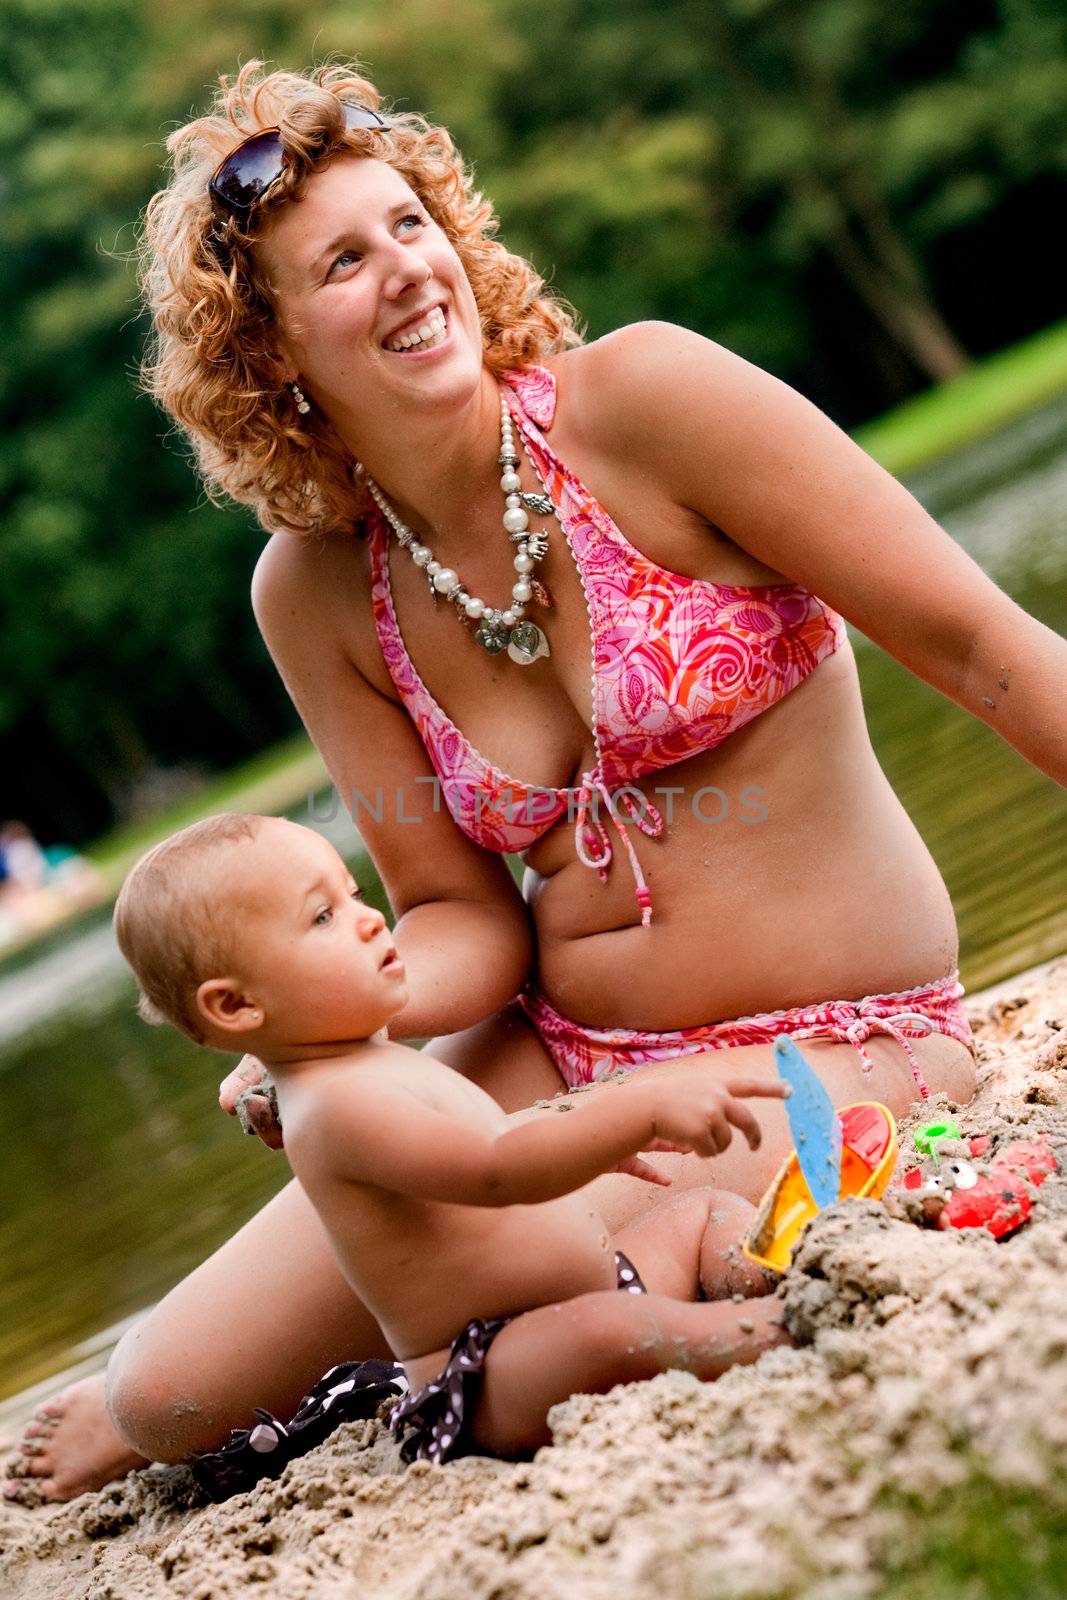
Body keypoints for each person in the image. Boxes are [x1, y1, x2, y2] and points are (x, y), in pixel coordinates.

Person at [9, 55, 1066, 1503]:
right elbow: (460, 916)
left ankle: (472, 1338)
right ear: (271, 360)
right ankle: (403, 1346)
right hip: (549, 1055)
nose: (402, 271)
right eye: (339, 262)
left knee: (593, 1269)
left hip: (833, 1027)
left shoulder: (647, 404)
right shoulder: (315, 594)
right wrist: (325, 1032)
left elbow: (983, 650)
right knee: (169, 1393)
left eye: (408, 226)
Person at [112, 811, 789, 1477]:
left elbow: (490, 1142)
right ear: (235, 1007)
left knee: (698, 1212)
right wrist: (631, 1114)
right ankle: (773, 1326)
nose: (371, 918)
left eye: (352, 895)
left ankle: (770, 1267)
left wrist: (590, 1145)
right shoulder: (334, 1109)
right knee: (604, 1335)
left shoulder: (368, 1060)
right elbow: (497, 1171)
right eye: (322, 918)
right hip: (491, 1370)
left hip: (604, 1283)